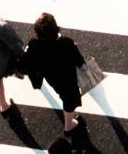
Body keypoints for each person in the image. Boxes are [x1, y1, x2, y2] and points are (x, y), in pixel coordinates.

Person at [23, 13, 90, 151]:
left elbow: (27, 61)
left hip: (52, 78)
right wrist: (85, 68)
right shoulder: (65, 43)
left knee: (63, 94)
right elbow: (79, 60)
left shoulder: (35, 46)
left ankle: (69, 121)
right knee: (69, 100)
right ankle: (69, 126)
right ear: (55, 29)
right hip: (68, 79)